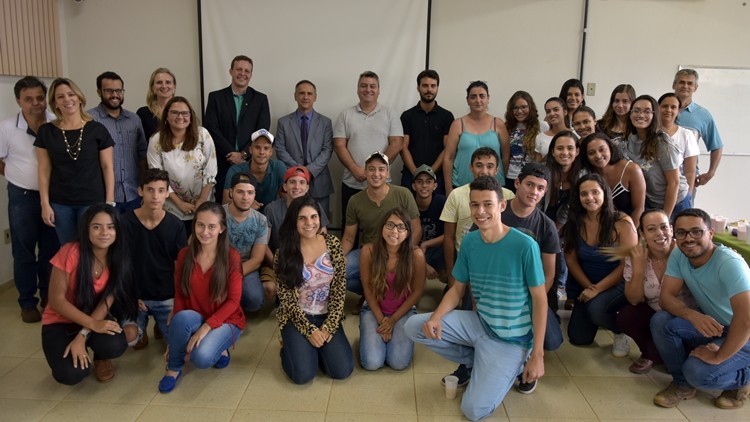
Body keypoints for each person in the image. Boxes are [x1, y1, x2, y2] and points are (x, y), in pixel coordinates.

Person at [405, 176, 547, 421]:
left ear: (502, 206)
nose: (480, 212)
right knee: (415, 326)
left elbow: (540, 300)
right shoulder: (470, 241)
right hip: (480, 324)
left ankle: (516, 365)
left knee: (473, 410)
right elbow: (457, 289)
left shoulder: (525, 245)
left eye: (487, 204)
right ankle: (478, 361)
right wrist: (436, 317)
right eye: (474, 205)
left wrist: (537, 355)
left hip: (511, 340)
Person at [651, 208, 750, 409]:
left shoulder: (730, 263)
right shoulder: (679, 254)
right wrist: (692, 315)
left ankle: (743, 379)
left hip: (745, 332)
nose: (689, 238)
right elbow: (666, 298)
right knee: (661, 321)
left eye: (696, 231)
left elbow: (746, 318)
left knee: (698, 373)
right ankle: (682, 385)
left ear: (710, 233)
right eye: (681, 233)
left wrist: (719, 355)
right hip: (719, 325)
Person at [41, 204, 138, 385]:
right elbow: (56, 300)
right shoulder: (70, 252)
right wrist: (92, 325)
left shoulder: (118, 257)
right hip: (60, 321)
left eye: (110, 227)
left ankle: (101, 357)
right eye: (97, 227)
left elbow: (107, 301)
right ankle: (77, 349)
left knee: (115, 344)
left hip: (93, 316)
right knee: (71, 374)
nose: (104, 232)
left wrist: (83, 335)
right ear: (86, 229)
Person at [158, 202, 245, 393]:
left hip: (226, 320)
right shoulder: (184, 255)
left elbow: (233, 302)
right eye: (200, 225)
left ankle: (221, 347)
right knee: (179, 318)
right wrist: (176, 339)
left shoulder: (232, 257)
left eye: (212, 226)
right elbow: (180, 294)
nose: (205, 231)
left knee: (201, 358)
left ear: (221, 228)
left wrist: (205, 328)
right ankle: (173, 368)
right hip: (196, 315)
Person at [274, 195, 353, 384]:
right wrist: (309, 331)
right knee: (303, 375)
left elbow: (339, 290)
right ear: (294, 221)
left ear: (320, 218)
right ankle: (288, 346)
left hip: (326, 315)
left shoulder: (333, 244)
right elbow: (287, 301)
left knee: (342, 370)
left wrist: (329, 326)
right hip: (297, 317)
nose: (309, 223)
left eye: (313, 217)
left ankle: (312, 349)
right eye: (302, 218)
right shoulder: (283, 252)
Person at [0, 76, 59, 323]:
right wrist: (16, 176)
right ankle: (27, 302)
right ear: (18, 101)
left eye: (39, 97)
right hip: (22, 196)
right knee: (23, 250)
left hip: (54, 195)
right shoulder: (6, 128)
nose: (36, 103)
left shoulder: (56, 123)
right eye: (28, 99)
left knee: (50, 250)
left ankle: (48, 297)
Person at [35, 77, 115, 245]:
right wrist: (45, 203)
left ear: (79, 98)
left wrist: (109, 202)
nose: (67, 100)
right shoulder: (46, 131)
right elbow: (43, 170)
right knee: (68, 251)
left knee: (92, 249)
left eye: (71, 94)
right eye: (60, 96)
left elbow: (108, 167)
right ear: (55, 102)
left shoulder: (97, 129)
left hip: (92, 201)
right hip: (60, 203)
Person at [564, 174, 638, 356]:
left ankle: (621, 330)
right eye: (584, 194)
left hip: (619, 282)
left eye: (595, 192)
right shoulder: (575, 222)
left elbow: (628, 265)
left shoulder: (622, 222)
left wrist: (597, 289)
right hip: (589, 282)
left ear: (605, 194)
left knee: (595, 309)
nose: (589, 198)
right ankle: (603, 315)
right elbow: (571, 260)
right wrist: (588, 286)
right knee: (578, 338)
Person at [615, 209, 690, 374]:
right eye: (651, 229)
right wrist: (639, 267)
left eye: (664, 227)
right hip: (655, 312)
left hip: (685, 314)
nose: (659, 233)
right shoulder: (637, 254)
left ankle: (661, 353)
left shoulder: (685, 252)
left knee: (662, 322)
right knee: (627, 316)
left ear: (671, 229)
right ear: (642, 233)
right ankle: (650, 353)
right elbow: (634, 299)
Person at [121, 168, 187, 349]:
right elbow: (120, 265)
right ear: (140, 191)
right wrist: (129, 295)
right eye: (150, 190)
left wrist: (177, 302)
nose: (155, 196)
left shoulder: (176, 225)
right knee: (129, 339)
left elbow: (179, 266)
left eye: (160, 190)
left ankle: (160, 323)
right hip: (136, 296)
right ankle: (141, 333)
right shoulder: (124, 223)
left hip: (165, 296)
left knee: (180, 344)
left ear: (167, 193)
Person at [340, 152, 420, 299]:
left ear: (387, 173)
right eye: (371, 169)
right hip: (368, 251)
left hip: (398, 248)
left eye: (381, 169)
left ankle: (389, 296)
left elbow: (416, 228)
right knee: (338, 271)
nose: (376, 173)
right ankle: (368, 293)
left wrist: (404, 253)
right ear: (365, 172)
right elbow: (348, 238)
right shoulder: (355, 201)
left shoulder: (403, 194)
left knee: (411, 271)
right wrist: (336, 258)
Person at [333, 71, 403, 229]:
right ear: (357, 89)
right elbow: (339, 145)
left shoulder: (390, 114)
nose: (368, 90)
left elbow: (397, 144)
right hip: (352, 183)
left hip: (383, 185)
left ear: (379, 90)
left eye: (372, 86)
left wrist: (376, 171)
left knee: (385, 227)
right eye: (363, 86)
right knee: (350, 227)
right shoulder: (345, 115)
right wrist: (355, 169)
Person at [360, 208, 426, 370]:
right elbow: (367, 289)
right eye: (390, 225)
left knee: (398, 363)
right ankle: (368, 332)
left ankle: (388, 336)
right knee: (372, 363)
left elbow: (418, 291)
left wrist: (392, 320)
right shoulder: (368, 251)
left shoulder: (415, 255)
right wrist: (382, 320)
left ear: (408, 233)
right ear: (382, 227)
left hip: (403, 311)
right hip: (373, 309)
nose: (394, 231)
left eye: (401, 227)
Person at [146, 96, 217, 234]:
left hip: (203, 204)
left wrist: (202, 200)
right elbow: (157, 177)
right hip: (172, 207)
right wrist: (179, 204)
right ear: (166, 115)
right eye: (175, 113)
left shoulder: (203, 134)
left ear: (190, 116)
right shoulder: (156, 140)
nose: (180, 117)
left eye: (185, 113)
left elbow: (211, 170)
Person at [204, 55, 270, 203]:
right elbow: (211, 128)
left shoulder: (260, 99)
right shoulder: (216, 97)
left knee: (249, 203)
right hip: (222, 163)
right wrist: (231, 154)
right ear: (231, 71)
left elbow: (262, 131)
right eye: (239, 69)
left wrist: (244, 154)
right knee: (223, 207)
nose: (243, 73)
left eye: (247, 71)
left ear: (251, 74)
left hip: (250, 164)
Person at [622, 95, 690, 219]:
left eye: (647, 111)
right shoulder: (630, 139)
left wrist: (665, 217)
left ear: (655, 115)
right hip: (651, 202)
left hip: (675, 203)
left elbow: (674, 182)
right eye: (636, 110)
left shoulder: (662, 143)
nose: (641, 115)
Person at [89, 71, 148, 213]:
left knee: (132, 235)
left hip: (133, 194)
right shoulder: (89, 119)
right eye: (109, 91)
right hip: (103, 195)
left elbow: (142, 155)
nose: (115, 95)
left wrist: (144, 186)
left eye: (119, 90)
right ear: (99, 92)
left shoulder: (134, 119)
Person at [274, 80, 334, 217]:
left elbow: (327, 150)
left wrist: (309, 171)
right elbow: (280, 149)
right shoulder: (283, 122)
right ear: (295, 96)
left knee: (319, 223)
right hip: (292, 183)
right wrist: (299, 172)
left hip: (319, 182)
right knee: (292, 221)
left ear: (315, 97)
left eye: (309, 94)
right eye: (301, 93)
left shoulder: (325, 122)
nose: (305, 97)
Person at [443, 81, 510, 194]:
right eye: (473, 97)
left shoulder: (498, 124)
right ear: (467, 100)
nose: (478, 100)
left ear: (488, 98)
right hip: (461, 185)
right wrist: (448, 189)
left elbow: (506, 157)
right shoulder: (458, 124)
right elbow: (448, 158)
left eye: (482, 96)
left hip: (493, 187)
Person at [400, 69, 454, 194]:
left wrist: (430, 173)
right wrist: (416, 172)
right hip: (411, 175)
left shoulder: (447, 116)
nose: (429, 89)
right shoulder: (407, 116)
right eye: (425, 85)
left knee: (437, 213)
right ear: (418, 88)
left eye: (433, 86)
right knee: (407, 213)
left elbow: (448, 149)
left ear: (437, 88)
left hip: (437, 177)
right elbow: (403, 147)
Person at [223, 172, 270, 312]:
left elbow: (257, 259)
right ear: (231, 193)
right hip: (219, 266)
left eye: (250, 193)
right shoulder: (217, 215)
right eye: (240, 192)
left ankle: (235, 309)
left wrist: (232, 276)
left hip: (246, 267)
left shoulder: (261, 220)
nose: (245, 197)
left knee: (255, 299)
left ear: (255, 194)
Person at [263, 165, 329, 262]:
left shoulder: (316, 207)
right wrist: (275, 264)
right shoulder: (271, 209)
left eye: (302, 182)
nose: (297, 187)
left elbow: (322, 240)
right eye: (292, 182)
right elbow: (263, 244)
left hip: (309, 263)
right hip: (278, 262)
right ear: (285, 187)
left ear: (307, 188)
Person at [581, 132, 646, 227]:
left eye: (602, 150)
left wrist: (630, 234)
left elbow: (639, 209)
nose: (598, 155)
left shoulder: (631, 169)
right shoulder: (587, 175)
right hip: (601, 228)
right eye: (591, 153)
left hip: (631, 226)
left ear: (610, 148)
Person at [673, 69, 723, 187]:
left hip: (687, 177)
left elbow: (716, 146)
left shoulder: (703, 115)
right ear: (674, 85)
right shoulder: (660, 109)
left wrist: (711, 173)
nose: (685, 86)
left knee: (686, 206)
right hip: (659, 176)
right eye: (681, 82)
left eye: (690, 83)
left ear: (696, 87)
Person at [222, 128, 285, 211]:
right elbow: (225, 203)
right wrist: (245, 203)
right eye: (257, 147)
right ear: (250, 149)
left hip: (270, 216)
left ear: (271, 152)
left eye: (266, 148)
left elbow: (286, 198)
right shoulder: (235, 170)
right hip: (242, 216)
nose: (261, 152)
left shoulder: (279, 167)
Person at [658, 93, 699, 198]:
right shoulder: (650, 133)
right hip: (654, 193)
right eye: (665, 106)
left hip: (679, 194)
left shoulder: (687, 135)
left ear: (678, 111)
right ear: (658, 108)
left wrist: (687, 196)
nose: (669, 110)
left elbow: (690, 171)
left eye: (673, 107)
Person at [504, 90, 545, 191]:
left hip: (531, 178)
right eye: (515, 108)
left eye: (524, 107)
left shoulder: (542, 126)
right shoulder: (506, 127)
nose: (519, 111)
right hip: (510, 177)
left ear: (530, 107)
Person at [412, 164, 446, 280]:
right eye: (420, 182)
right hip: (412, 250)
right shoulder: (408, 204)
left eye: (428, 182)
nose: (424, 186)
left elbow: (449, 235)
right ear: (414, 186)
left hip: (435, 248)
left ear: (435, 185)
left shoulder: (442, 202)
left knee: (451, 253)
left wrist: (425, 244)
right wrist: (423, 264)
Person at [137, 68, 176, 140]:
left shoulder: (184, 112)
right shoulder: (143, 113)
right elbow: (140, 144)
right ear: (152, 87)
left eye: (168, 82)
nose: (164, 86)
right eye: (159, 82)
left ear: (174, 87)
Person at [534, 97, 568, 162]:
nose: (552, 114)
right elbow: (537, 166)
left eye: (556, 110)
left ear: (565, 111)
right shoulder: (540, 137)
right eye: (548, 111)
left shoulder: (575, 135)